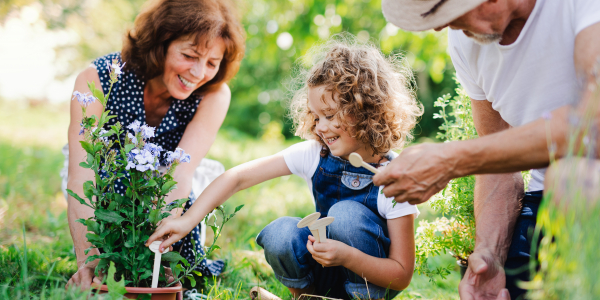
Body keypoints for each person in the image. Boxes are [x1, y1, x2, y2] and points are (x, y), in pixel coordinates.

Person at [145, 38, 423, 299]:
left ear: (365, 109)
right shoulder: (315, 154)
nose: (321, 127)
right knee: (281, 232)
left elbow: (400, 275)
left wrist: (346, 256)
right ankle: (309, 297)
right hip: (324, 269)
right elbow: (237, 178)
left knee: (346, 215)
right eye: (315, 116)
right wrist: (186, 220)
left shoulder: (392, 175)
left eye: (329, 115)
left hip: (371, 279)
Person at [378, 0, 600, 299]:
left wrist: (452, 160)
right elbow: (499, 163)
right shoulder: (465, 42)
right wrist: (489, 253)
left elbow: (590, 125)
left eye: (447, 11)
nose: (441, 25)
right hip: (546, 198)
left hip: (581, 185)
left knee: (571, 178)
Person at [63, 0, 245, 290]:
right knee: (112, 247)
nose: (198, 73)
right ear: (161, 44)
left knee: (181, 248)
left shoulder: (214, 94)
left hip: (167, 181)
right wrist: (87, 259)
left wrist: (163, 238)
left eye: (212, 63)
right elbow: (80, 174)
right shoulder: (95, 78)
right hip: (105, 175)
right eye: (189, 55)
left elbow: (181, 173)